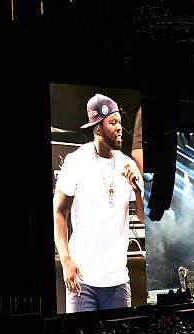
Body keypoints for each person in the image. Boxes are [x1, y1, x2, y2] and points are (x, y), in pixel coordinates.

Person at [54, 93, 144, 313]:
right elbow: (58, 211)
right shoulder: (76, 162)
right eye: (112, 123)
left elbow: (144, 218)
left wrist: (138, 192)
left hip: (118, 281)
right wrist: (66, 262)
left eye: (120, 122)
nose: (119, 128)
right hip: (82, 282)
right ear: (96, 128)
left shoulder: (128, 164)